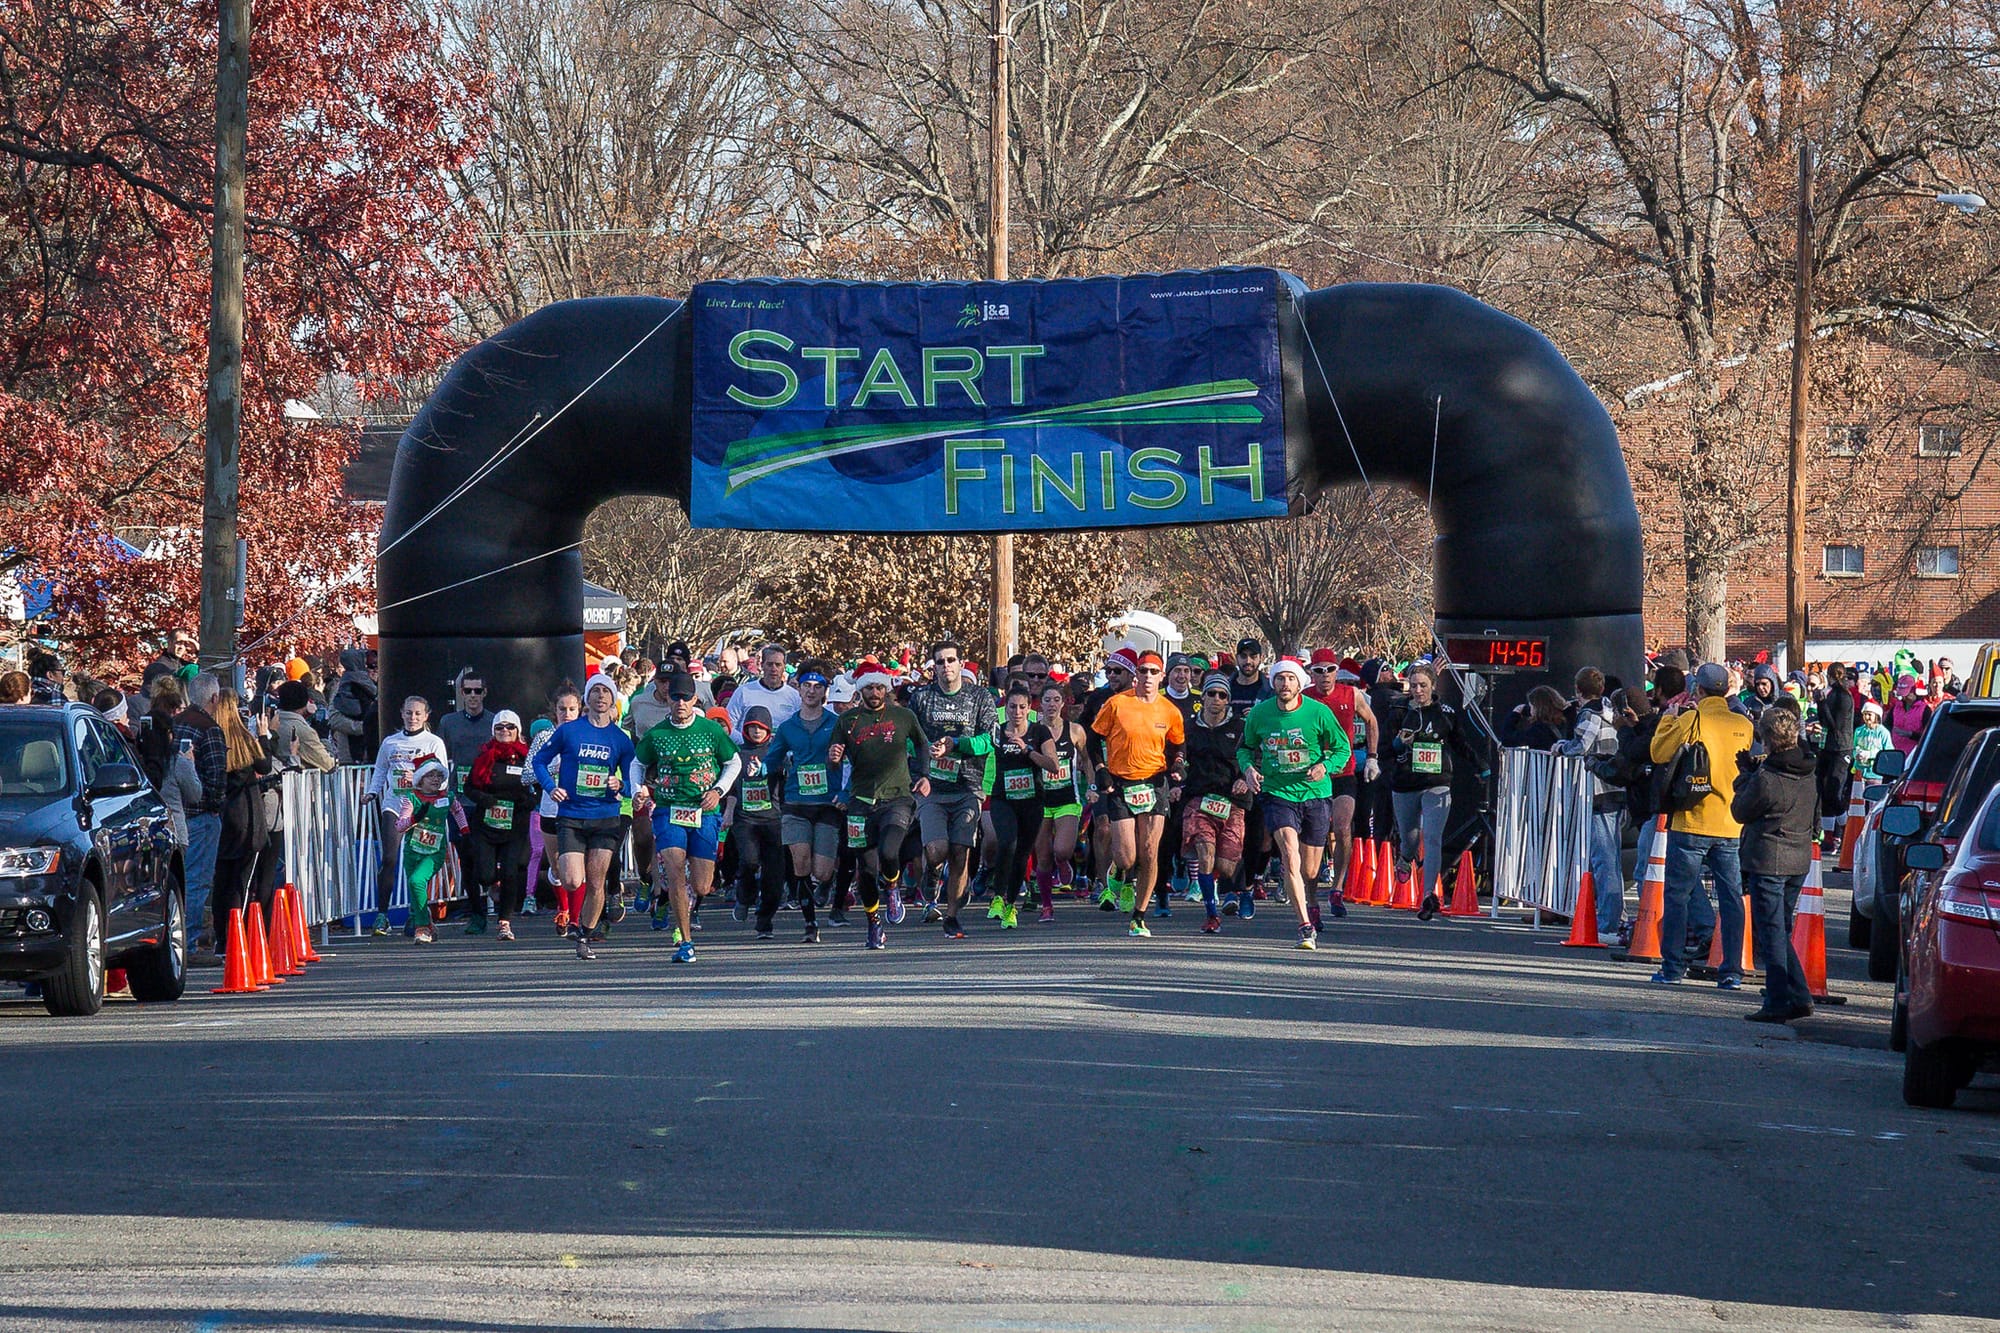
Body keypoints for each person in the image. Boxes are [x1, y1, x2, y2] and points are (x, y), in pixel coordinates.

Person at [1647, 662, 1757, 987]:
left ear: (1699, 690)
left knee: (1678, 896)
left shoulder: (1692, 719)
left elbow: (1658, 752)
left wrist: (1668, 718)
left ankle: (1673, 968)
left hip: (1692, 821)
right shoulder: (1743, 724)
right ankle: (1731, 972)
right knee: (1732, 898)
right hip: (1730, 824)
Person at [1239, 659, 1349, 950]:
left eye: (1290, 679)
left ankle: (1312, 900)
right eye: (1279, 679)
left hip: (1314, 793)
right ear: (1272, 683)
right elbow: (1245, 748)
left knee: (1311, 871)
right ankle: (1304, 926)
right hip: (1278, 793)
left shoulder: (1318, 712)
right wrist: (1249, 769)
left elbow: (1342, 748)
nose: (1284, 684)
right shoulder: (1260, 714)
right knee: (1289, 855)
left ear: (1300, 684)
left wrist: (1325, 766)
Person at [632, 670, 739, 963]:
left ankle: (687, 896)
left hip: (704, 810)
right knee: (675, 868)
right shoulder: (657, 734)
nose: (680, 702)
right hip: (669, 808)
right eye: (674, 697)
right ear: (667, 699)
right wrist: (637, 790)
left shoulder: (710, 730)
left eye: (685, 697)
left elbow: (733, 761)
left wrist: (718, 790)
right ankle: (685, 942)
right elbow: (637, 764)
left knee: (703, 885)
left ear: (694, 699)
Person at [533, 672, 640, 960]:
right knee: (571, 879)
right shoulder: (569, 731)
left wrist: (622, 786)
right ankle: (578, 919)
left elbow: (633, 777)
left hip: (606, 816)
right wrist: (550, 787)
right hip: (571, 815)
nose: (601, 697)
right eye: (596, 692)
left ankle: (584, 935)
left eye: (606, 692)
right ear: (587, 698)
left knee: (596, 881)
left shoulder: (620, 739)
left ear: (613, 699)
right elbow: (539, 761)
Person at [827, 663, 931, 950]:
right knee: (867, 869)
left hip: (897, 798)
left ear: (886, 689)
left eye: (879, 687)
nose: (875, 693)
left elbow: (922, 745)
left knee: (888, 851)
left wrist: (924, 775)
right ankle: (874, 923)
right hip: (860, 802)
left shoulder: (903, 716)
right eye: (869, 688)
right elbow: (832, 761)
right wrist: (834, 759)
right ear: (860, 690)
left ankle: (894, 886)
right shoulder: (847, 720)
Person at [1090, 650, 1186, 938]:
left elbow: (1179, 745)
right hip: (1121, 783)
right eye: (1142, 671)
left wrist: (1179, 765)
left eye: (1153, 672)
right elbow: (1094, 739)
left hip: (1154, 783)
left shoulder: (1169, 710)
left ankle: (1139, 916)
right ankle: (1118, 872)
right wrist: (1100, 769)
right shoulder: (1117, 703)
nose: (1147, 677)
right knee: (1126, 856)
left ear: (1162, 677)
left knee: (1149, 851)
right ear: (1135, 675)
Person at [907, 638, 998, 939]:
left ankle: (952, 915)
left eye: (951, 660)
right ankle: (932, 873)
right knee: (938, 849)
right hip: (932, 787)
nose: (946, 666)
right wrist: (922, 759)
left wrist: (956, 745)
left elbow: (989, 740)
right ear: (933, 668)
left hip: (968, 786)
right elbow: (910, 740)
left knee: (961, 851)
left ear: (960, 663)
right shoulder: (921, 699)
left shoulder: (980, 697)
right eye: (940, 661)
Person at [1732, 707, 1818, 1022]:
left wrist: (1744, 777)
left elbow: (1740, 811)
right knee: (1780, 930)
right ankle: (1798, 996)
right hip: (1798, 857)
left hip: (1770, 859)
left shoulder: (1768, 778)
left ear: (1766, 741)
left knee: (1772, 934)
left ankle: (1779, 1000)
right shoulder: (1806, 768)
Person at [1384, 663, 1484, 920]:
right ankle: (1405, 856)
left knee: (1433, 838)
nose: (1418, 691)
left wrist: (1481, 766)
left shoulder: (1445, 712)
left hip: (1437, 782)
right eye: (1414, 686)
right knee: (1411, 839)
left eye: (1423, 686)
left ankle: (1429, 895)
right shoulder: (1399, 709)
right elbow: (1384, 749)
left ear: (1433, 687)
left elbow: (1460, 744)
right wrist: (1398, 743)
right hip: (1406, 783)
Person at [954, 681, 1055, 929]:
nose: (1017, 712)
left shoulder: (1039, 732)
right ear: (1006, 708)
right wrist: (953, 745)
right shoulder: (997, 732)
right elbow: (977, 746)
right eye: (1012, 707)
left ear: (1029, 708)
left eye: (1022, 707)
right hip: (1003, 799)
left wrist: (1028, 750)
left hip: (1032, 801)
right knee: (1006, 842)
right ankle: (998, 897)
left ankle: (1011, 905)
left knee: (1022, 853)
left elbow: (1052, 765)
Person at [362, 696, 450, 937]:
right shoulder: (391, 742)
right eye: (409, 713)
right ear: (401, 713)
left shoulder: (433, 742)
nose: (413, 718)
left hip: (421, 808)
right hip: (395, 804)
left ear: (426, 716)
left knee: (417, 862)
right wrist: (371, 792)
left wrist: (438, 803)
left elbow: (443, 774)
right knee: (390, 857)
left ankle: (416, 915)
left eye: (418, 714)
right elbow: (380, 770)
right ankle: (382, 915)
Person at [768, 659, 843, 940]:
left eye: (817, 686)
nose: (811, 691)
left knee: (821, 872)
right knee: (800, 863)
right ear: (798, 689)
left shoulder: (836, 724)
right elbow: (773, 757)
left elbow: (853, 760)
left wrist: (845, 790)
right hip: (796, 802)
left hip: (827, 804)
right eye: (806, 686)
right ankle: (811, 924)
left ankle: (829, 882)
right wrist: (760, 768)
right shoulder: (788, 727)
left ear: (825, 691)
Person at [1557, 668, 1626, 943]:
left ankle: (1609, 924)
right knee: (1612, 858)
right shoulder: (1610, 710)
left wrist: (1561, 747)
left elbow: (1581, 746)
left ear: (1578, 689)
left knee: (1604, 859)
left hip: (1599, 791)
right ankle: (1615, 917)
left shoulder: (1590, 714)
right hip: (1616, 790)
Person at [1177, 673, 1249, 932]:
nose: (1216, 699)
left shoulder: (1240, 728)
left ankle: (1226, 885)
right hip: (1199, 799)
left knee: (1225, 866)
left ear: (1228, 700)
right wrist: (1177, 777)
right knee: (1205, 851)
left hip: (1232, 800)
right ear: (1203, 696)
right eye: (1211, 693)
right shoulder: (1189, 727)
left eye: (1222, 695)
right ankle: (1211, 914)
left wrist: (1244, 778)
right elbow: (1179, 757)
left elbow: (1253, 756)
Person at [1308, 656, 1379, 918]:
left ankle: (1338, 887)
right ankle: (1311, 895)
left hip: (1343, 771)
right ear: (1311, 673)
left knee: (1342, 825)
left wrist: (1372, 757)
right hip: (1313, 774)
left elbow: (1371, 721)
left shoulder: (1352, 694)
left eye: (1330, 670)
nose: (1325, 675)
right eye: (1319, 670)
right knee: (1315, 834)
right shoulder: (1304, 697)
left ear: (1336, 672)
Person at [212, 688, 277, 945]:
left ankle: (221, 936)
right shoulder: (244, 738)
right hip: (246, 817)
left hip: (221, 815)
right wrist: (264, 735)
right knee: (241, 880)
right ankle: (236, 935)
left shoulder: (213, 737)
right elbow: (264, 766)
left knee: (221, 879)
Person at [461, 710, 533, 941]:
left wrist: (526, 802)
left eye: (509, 727)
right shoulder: (484, 757)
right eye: (499, 728)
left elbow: (540, 790)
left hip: (515, 827)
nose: (504, 731)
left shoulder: (526, 758)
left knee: (511, 872)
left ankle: (504, 922)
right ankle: (493, 883)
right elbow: (469, 788)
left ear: (517, 731)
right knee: (485, 874)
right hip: (487, 826)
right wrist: (484, 799)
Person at [175, 672, 229, 953]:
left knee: (178, 880)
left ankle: (176, 940)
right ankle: (189, 943)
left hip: (174, 814)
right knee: (197, 880)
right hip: (201, 815)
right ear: (214, 698)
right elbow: (217, 777)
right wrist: (215, 806)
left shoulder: (175, 724)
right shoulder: (210, 729)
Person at [1031, 680, 1092, 923]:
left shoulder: (1075, 730)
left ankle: (1063, 862)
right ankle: (1047, 905)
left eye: (1057, 700)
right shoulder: (1033, 729)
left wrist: (1093, 787)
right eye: (1047, 700)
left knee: (1063, 849)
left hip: (1068, 797)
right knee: (1042, 857)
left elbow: (1087, 761)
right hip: (1040, 800)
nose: (1052, 705)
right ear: (1040, 704)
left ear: (1064, 702)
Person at [730, 705, 789, 940]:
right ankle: (744, 894)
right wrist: (728, 813)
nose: (756, 731)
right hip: (745, 820)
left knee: (774, 877)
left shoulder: (777, 753)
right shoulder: (737, 755)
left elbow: (786, 787)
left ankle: (764, 923)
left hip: (773, 820)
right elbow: (731, 788)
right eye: (752, 727)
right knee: (749, 861)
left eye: (761, 727)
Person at [527, 686, 582, 928]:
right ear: (554, 712)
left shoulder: (586, 735)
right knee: (559, 867)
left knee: (579, 866)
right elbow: (526, 775)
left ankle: (578, 919)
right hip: (550, 809)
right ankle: (563, 907)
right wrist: (552, 771)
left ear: (580, 710)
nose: (567, 714)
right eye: (562, 709)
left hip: (581, 808)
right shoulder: (544, 738)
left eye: (572, 709)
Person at [391, 754, 457, 945]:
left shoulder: (447, 797)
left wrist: (464, 830)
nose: (435, 779)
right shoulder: (411, 798)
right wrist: (414, 819)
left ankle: (421, 928)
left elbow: (458, 811)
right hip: (412, 851)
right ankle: (428, 924)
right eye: (430, 775)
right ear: (420, 779)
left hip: (435, 852)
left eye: (438, 775)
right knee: (415, 888)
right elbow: (399, 826)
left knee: (416, 881)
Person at [1814, 663, 1856, 854]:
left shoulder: (1844, 697)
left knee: (1834, 790)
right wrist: (1820, 704)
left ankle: (1846, 831)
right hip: (1828, 747)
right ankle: (1829, 837)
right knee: (1824, 791)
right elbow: (1824, 721)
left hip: (1841, 748)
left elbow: (1835, 725)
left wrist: (1822, 703)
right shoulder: (1832, 694)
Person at [726, 643, 802, 740]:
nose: (774, 669)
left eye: (778, 665)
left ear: (784, 667)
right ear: (762, 665)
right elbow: (729, 725)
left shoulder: (794, 696)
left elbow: (799, 729)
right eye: (770, 664)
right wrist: (747, 743)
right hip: (748, 751)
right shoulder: (743, 691)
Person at [271, 680, 337, 774]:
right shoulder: (304, 731)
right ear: (305, 701)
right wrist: (323, 738)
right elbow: (328, 765)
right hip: (301, 783)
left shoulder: (273, 724)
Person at [328, 647, 380, 764]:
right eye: (370, 666)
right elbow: (335, 719)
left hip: (378, 752)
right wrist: (367, 728)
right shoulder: (343, 687)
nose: (375, 669)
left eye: (377, 665)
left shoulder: (383, 686)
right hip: (351, 755)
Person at [1499, 686, 1570, 749]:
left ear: (1537, 708)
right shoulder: (1565, 721)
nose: (1530, 710)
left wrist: (1515, 714)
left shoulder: (1538, 730)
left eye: (1531, 706)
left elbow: (1507, 740)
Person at [1887, 675, 1929, 757]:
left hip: (1915, 756)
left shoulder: (1925, 710)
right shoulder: (1896, 707)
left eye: (1906, 694)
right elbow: (1887, 726)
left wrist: (1911, 734)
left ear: (1913, 691)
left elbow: (1928, 735)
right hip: (1896, 755)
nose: (1904, 697)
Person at [1852, 701, 1892, 779]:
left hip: (1875, 774)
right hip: (1859, 772)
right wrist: (1856, 755)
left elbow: (1888, 752)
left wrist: (1870, 754)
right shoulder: (1859, 731)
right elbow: (1854, 747)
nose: (1866, 717)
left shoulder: (1883, 732)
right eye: (1864, 714)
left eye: (1869, 714)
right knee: (1857, 791)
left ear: (1876, 716)